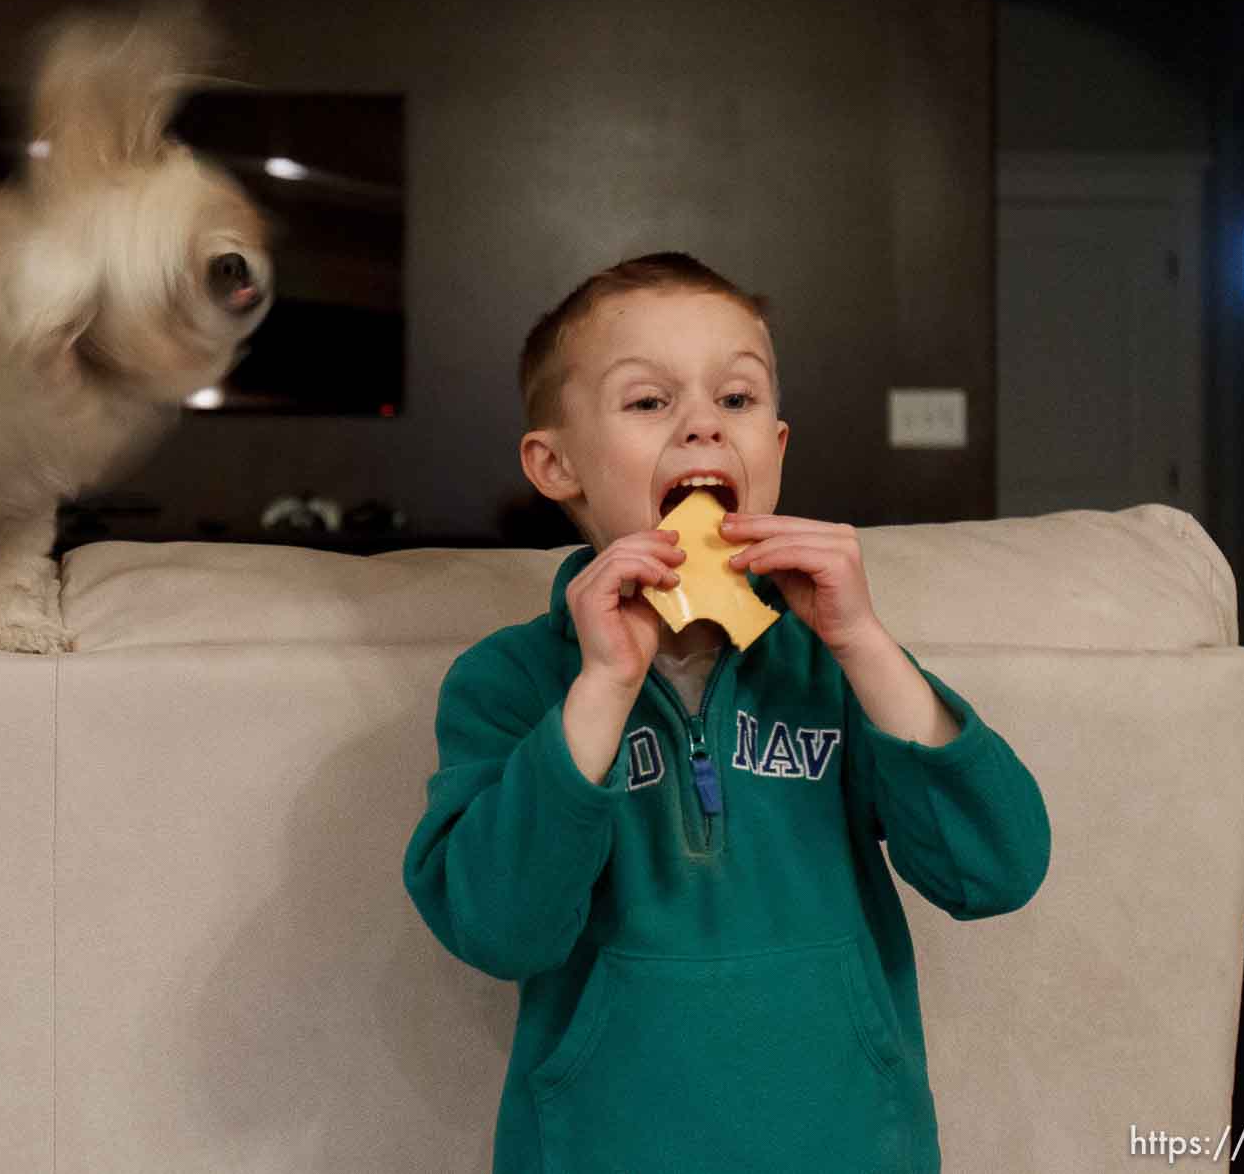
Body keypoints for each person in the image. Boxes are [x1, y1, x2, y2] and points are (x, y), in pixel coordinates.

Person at [402, 253, 1051, 1173]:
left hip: (849, 1146)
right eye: (650, 402)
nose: (704, 424)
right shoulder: (507, 682)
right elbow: (500, 929)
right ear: (556, 464)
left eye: (737, 401)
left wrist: (863, 641)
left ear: (776, 452)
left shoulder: (832, 667)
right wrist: (600, 689)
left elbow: (997, 871)